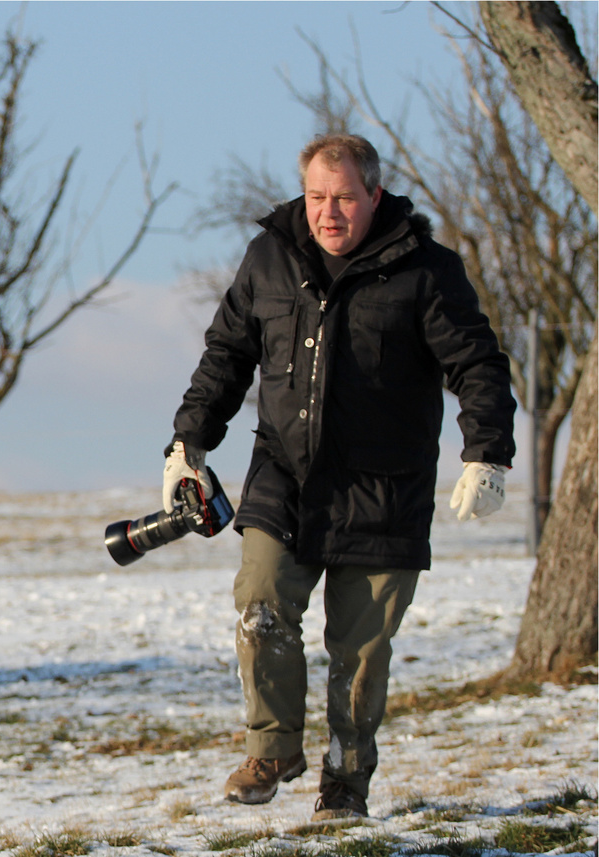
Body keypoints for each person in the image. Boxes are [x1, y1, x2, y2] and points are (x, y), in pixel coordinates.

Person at [167, 133, 516, 821]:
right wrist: (188, 442)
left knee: (358, 651)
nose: (329, 213)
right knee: (260, 599)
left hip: (384, 487)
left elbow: (476, 364)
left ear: (373, 197)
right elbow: (226, 354)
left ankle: (345, 780)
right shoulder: (269, 257)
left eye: (345, 198)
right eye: (317, 197)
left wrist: (487, 453)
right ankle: (273, 748)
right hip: (284, 478)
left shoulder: (425, 270)